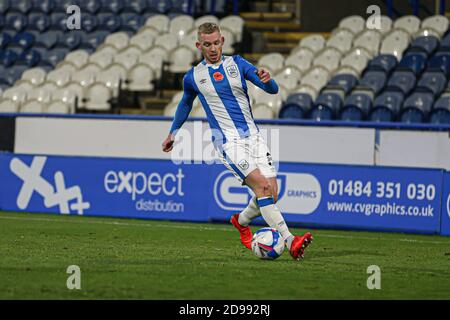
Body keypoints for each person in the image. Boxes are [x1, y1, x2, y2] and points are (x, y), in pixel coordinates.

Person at [162, 22, 313, 260]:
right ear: (199, 45)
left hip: (253, 137)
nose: (213, 48)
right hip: (227, 142)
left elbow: (271, 89)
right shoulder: (193, 77)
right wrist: (174, 131)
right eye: (207, 44)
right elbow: (185, 103)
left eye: (216, 43)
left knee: (272, 193)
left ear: (222, 41)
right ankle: (291, 241)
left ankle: (241, 221)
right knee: (262, 188)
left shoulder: (238, 64)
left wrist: (267, 79)